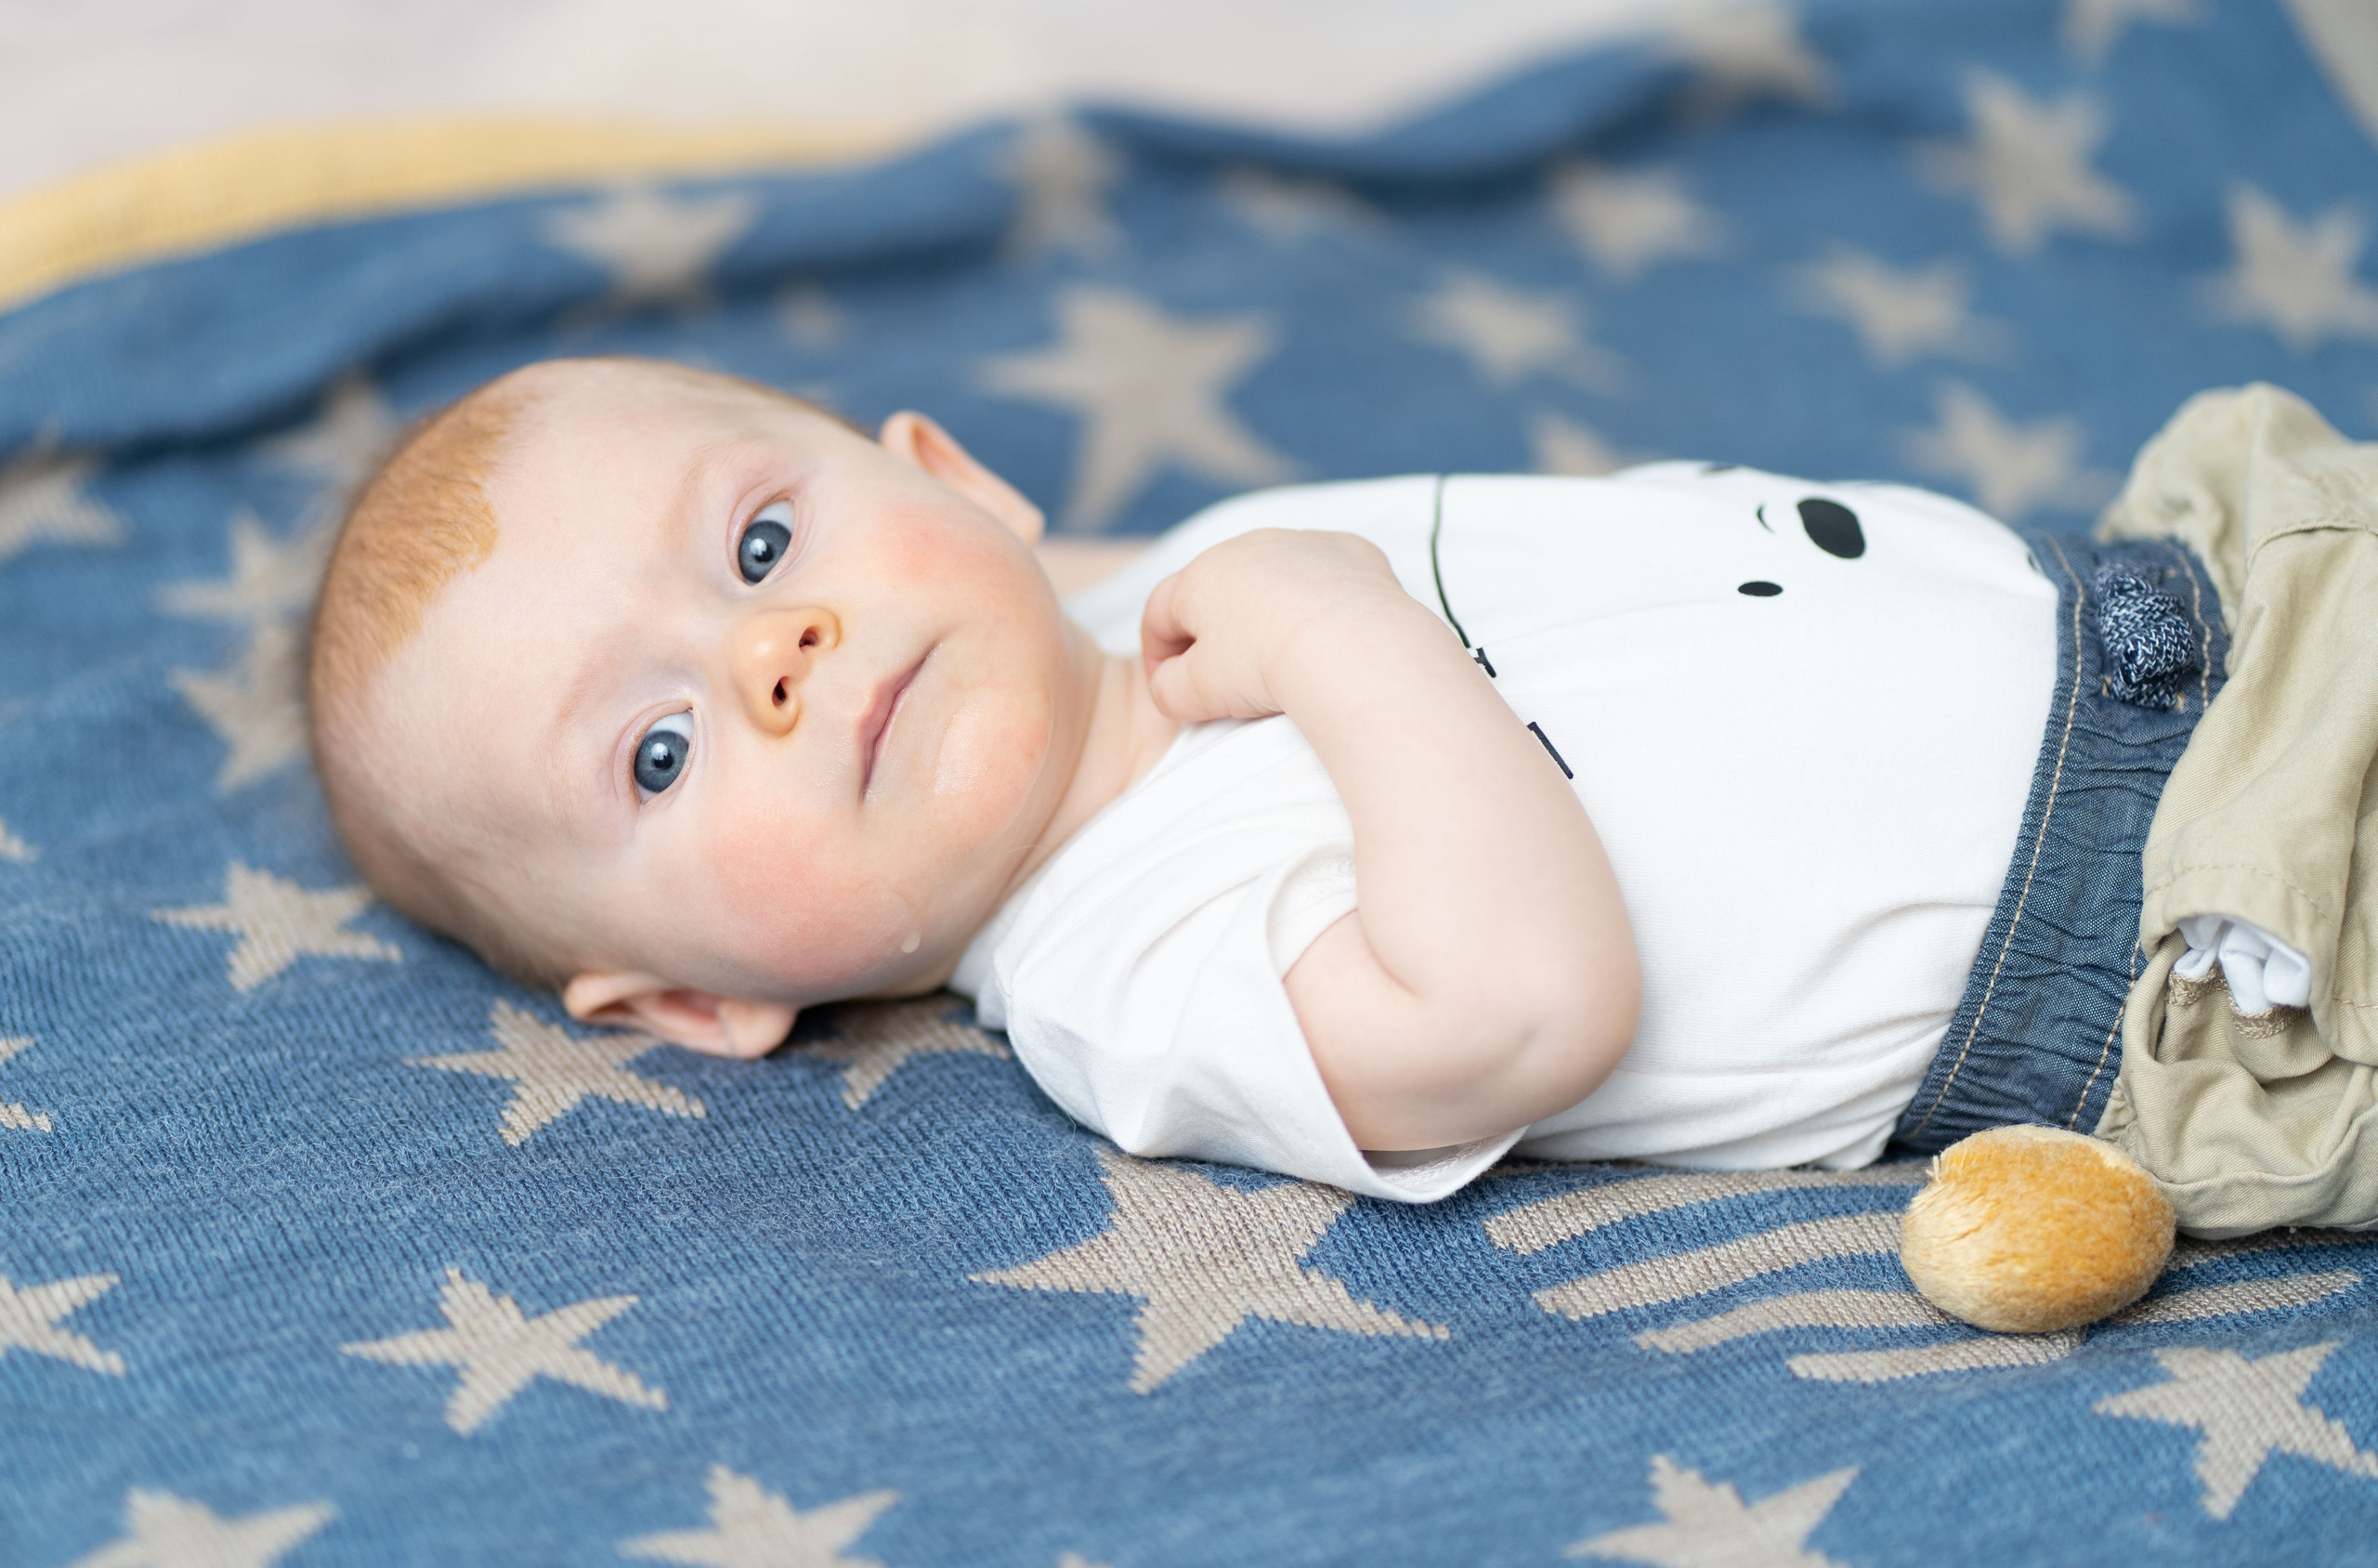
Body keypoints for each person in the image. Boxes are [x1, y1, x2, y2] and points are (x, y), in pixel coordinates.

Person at [307, 355, 2293, 1205]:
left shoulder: (1133, 590)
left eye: (757, 547)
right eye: (655, 750)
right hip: (2206, 934)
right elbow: (1515, 1003)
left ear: (952, 475)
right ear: (689, 1000)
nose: (774, 652)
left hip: (2200, 579)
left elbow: (992, 604)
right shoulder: (1128, 975)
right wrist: (1341, 637)